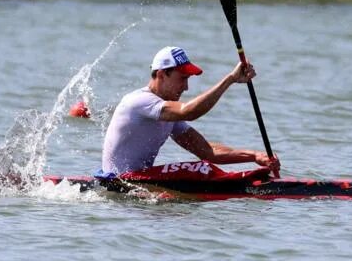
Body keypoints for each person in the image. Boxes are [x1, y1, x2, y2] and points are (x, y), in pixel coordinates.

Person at [100, 46, 279, 175]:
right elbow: (189, 112)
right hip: (117, 183)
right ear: (162, 75)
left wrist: (255, 156)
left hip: (137, 183)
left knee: (203, 167)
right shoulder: (139, 101)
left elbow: (207, 152)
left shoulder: (168, 115)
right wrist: (230, 79)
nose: (186, 87)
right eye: (183, 78)